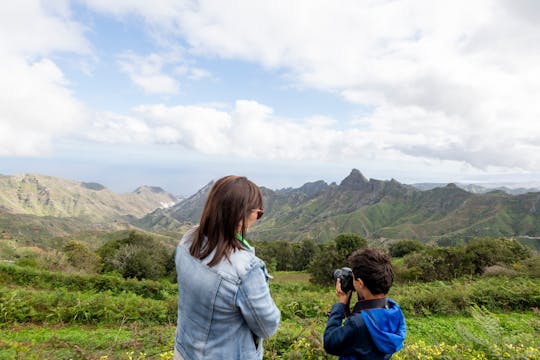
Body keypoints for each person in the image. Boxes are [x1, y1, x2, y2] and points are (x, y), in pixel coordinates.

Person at [174, 175, 280, 360]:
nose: (258, 218)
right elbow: (267, 326)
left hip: (185, 352)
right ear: (240, 216)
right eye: (258, 213)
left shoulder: (188, 240)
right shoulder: (247, 269)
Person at [324, 248, 406, 359]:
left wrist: (341, 304)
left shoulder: (358, 324)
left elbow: (329, 343)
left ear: (361, 283)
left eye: (353, 278)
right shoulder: (394, 309)